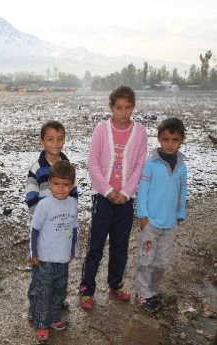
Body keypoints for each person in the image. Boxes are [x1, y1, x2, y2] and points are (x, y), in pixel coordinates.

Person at [79, 86, 147, 310]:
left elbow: (139, 165)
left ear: (133, 107)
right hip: (103, 199)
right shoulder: (101, 129)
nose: (124, 112)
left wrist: (126, 193)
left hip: (125, 202)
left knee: (120, 245)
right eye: (119, 107)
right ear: (111, 107)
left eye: (128, 107)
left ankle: (115, 284)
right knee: (95, 246)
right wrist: (108, 191)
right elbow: (93, 163)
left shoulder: (140, 132)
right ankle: (87, 289)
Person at [25, 120, 78, 322]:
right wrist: (41, 214)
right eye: (50, 139)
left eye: (59, 139)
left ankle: (55, 301)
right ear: (42, 142)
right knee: (40, 273)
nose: (55, 143)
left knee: (57, 273)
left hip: (60, 229)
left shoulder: (67, 165)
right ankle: (36, 303)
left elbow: (73, 193)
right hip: (44, 225)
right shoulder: (37, 168)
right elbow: (30, 194)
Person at [135, 118, 187, 312]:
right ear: (159, 139)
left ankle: (153, 291)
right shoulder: (151, 164)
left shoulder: (182, 166)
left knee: (161, 262)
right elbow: (142, 190)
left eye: (174, 139)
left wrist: (180, 213)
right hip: (151, 223)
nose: (170, 144)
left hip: (170, 224)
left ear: (181, 140)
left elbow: (183, 192)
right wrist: (142, 216)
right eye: (165, 139)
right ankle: (142, 294)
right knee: (146, 260)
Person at [29, 160, 78, 344]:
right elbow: (34, 229)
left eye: (65, 185)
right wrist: (33, 253)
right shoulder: (44, 205)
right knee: (44, 292)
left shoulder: (72, 203)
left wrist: (73, 249)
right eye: (56, 184)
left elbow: (74, 228)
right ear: (49, 183)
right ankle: (41, 324)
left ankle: (54, 317)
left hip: (63, 259)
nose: (61, 189)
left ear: (71, 186)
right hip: (45, 259)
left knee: (59, 291)